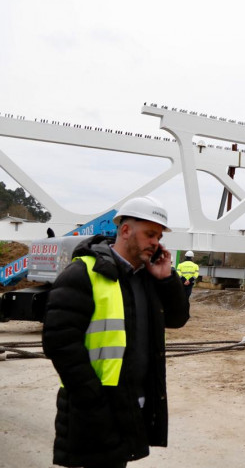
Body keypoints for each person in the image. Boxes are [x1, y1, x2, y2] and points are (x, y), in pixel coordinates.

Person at [41, 195, 190, 468]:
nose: (156, 242)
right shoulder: (83, 273)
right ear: (125, 231)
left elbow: (178, 319)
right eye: (149, 234)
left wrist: (167, 279)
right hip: (96, 403)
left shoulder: (147, 277)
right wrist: (92, 398)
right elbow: (59, 344)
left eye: (158, 236)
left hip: (132, 402)